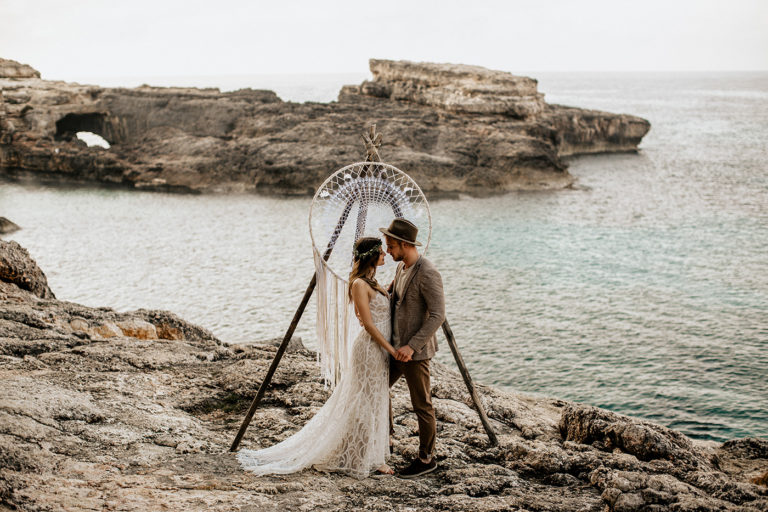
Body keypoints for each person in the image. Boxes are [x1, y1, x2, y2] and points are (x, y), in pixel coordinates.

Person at [237, 237, 397, 479]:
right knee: (364, 402)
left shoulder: (373, 282)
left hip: (379, 351)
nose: (385, 254)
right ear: (371, 256)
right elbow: (369, 326)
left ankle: (366, 454)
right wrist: (391, 349)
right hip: (369, 350)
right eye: (381, 252)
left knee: (373, 400)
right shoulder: (358, 285)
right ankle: (362, 458)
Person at [379, 218, 445, 478]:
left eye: (391, 246)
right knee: (378, 387)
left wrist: (412, 346)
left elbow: (438, 315)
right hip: (396, 349)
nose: (388, 250)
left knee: (422, 405)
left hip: (414, 353)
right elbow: (393, 297)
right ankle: (389, 438)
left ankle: (427, 458)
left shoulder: (428, 272)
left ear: (404, 244)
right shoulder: (402, 268)